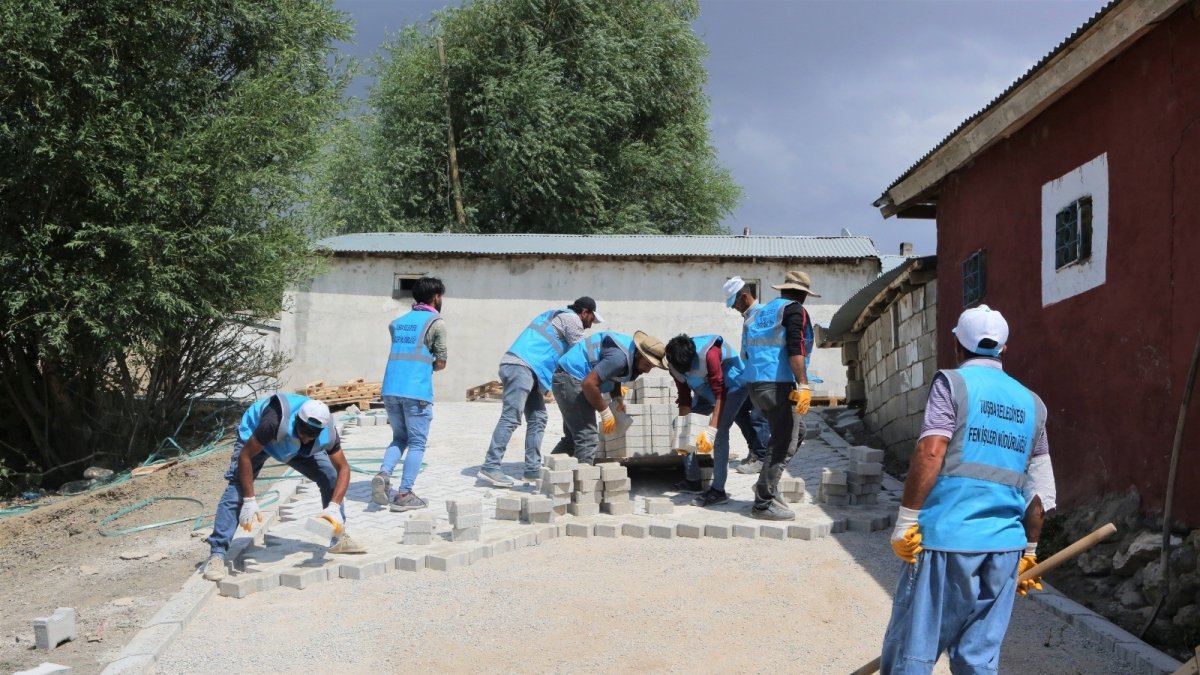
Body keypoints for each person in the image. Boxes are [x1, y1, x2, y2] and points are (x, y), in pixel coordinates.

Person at [880, 305, 1057, 674]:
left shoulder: (952, 384)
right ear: (1004, 350)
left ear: (957, 345)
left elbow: (931, 450)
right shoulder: (1033, 404)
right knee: (978, 660)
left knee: (913, 653)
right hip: (1004, 550)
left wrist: (906, 522)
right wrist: (1029, 550)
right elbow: (1039, 496)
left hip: (949, 541)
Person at [202, 394, 364, 582]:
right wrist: (249, 500)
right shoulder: (273, 421)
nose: (305, 437)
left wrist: (334, 506)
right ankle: (217, 554)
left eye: (312, 435)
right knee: (238, 489)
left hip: (291, 445)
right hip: (258, 437)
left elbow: (343, 468)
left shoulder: (327, 433)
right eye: (303, 431)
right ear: (297, 420)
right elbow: (245, 456)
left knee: (329, 476)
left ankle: (338, 537)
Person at [478, 298, 602, 487]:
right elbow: (582, 352)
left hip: (530, 370)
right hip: (521, 366)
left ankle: (532, 469)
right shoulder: (572, 319)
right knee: (511, 417)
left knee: (538, 418)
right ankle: (491, 466)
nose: (590, 325)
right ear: (584, 312)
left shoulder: (558, 316)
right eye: (591, 319)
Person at [739, 270, 820, 520]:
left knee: (798, 432)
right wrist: (803, 384)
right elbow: (795, 348)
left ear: (782, 289)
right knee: (783, 442)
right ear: (803, 295)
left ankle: (766, 483)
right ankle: (763, 503)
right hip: (777, 384)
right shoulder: (794, 310)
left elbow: (745, 352)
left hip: (756, 384)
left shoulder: (760, 312)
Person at [370, 277, 447, 512]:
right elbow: (441, 362)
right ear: (435, 297)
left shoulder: (398, 323)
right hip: (416, 392)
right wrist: (429, 366)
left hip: (390, 389)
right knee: (416, 443)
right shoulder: (436, 323)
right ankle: (404, 494)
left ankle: (384, 473)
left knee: (399, 438)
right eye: (441, 296)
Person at [664, 333, 756, 508]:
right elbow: (684, 399)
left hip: (733, 387)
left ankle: (718, 490)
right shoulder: (674, 365)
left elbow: (720, 393)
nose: (685, 372)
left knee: (720, 432)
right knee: (680, 425)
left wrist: (711, 431)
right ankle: (693, 482)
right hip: (705, 391)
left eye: (688, 367)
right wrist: (684, 436)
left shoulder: (710, 354)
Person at [550, 330, 666, 465]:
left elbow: (614, 374)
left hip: (567, 377)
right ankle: (583, 483)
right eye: (647, 365)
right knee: (587, 438)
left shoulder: (629, 353)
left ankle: (549, 474)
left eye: (651, 367)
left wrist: (617, 398)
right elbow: (589, 384)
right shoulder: (619, 358)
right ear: (640, 354)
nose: (647, 371)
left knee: (573, 438)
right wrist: (605, 412)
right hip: (570, 379)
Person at [724, 277, 773, 474]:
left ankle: (761, 458)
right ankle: (755, 450)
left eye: (734, 303)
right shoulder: (748, 316)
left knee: (759, 418)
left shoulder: (762, 315)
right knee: (738, 410)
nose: (734, 308)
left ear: (744, 296)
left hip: (764, 376)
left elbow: (766, 349)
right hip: (749, 375)